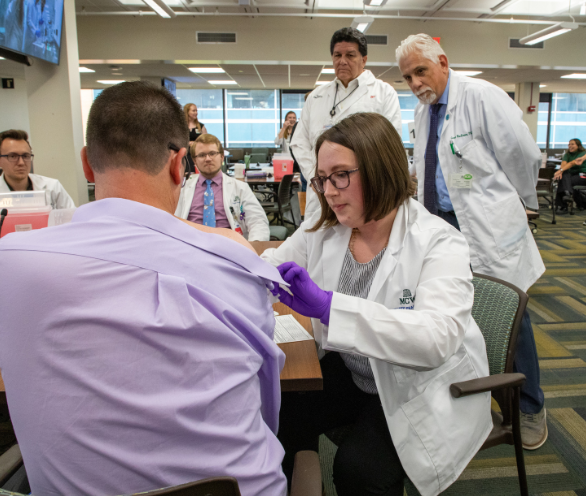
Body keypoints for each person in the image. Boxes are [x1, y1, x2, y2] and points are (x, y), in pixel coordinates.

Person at [0, 81, 287, 496]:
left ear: (87, 165)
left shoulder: (7, 263)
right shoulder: (233, 266)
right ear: (181, 165)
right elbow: (266, 405)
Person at [262, 112, 491, 496]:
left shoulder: (437, 240)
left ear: (380, 169)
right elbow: (272, 266)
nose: (328, 191)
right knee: (276, 410)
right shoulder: (327, 226)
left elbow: (435, 340)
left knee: (358, 471)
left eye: (340, 175)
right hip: (355, 371)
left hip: (413, 385)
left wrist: (329, 308)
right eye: (322, 178)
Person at [396, 34, 547, 450]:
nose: (415, 83)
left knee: (510, 320)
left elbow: (523, 156)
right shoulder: (423, 112)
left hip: (488, 228)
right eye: (408, 76)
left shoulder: (481, 97)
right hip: (443, 228)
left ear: (443, 62)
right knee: (456, 318)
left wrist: (520, 202)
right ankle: (479, 406)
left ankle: (531, 408)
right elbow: (427, 168)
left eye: (420, 71)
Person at [291, 27, 402, 224]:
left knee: (362, 248)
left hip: (363, 192)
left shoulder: (384, 93)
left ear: (364, 59)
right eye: (337, 55)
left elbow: (390, 146)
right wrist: (319, 179)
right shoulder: (316, 96)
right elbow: (299, 143)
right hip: (322, 195)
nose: (342, 61)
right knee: (319, 246)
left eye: (350, 55)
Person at [175, 133, 270, 241]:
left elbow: (258, 222)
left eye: (212, 153)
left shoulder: (240, 188)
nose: (208, 159)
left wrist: (253, 248)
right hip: (191, 246)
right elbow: (171, 221)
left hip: (230, 248)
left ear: (221, 157)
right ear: (194, 160)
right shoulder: (182, 188)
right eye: (201, 155)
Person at [0, 129, 76, 209]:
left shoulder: (53, 187)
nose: (21, 162)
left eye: (25, 156)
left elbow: (72, 221)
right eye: (12, 156)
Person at [554, 138, 586, 212]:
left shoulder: (583, 154)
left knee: (563, 180)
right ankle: (566, 194)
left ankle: (563, 203)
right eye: (569, 144)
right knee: (563, 175)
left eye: (572, 144)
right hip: (571, 176)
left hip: (583, 176)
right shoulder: (567, 154)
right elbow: (563, 165)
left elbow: (572, 163)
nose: (570, 146)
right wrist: (561, 171)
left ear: (578, 145)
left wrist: (560, 171)